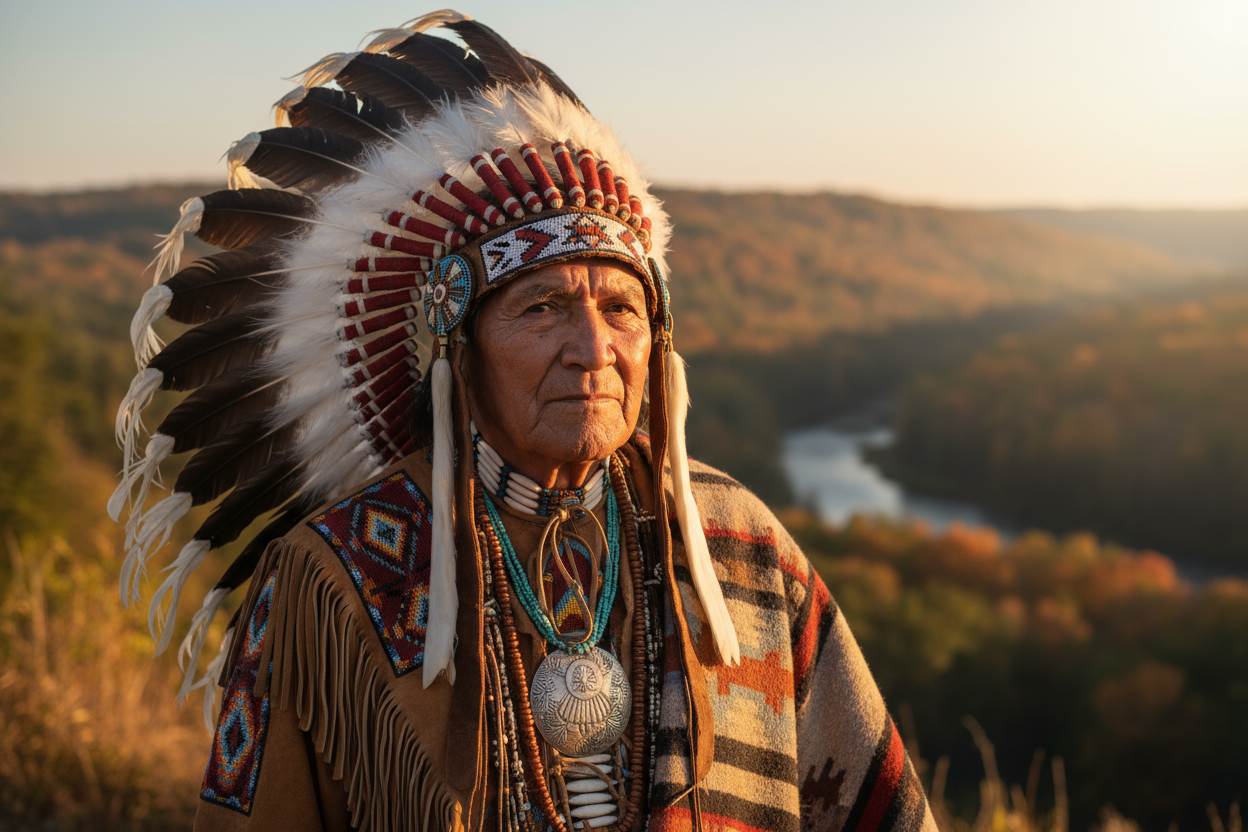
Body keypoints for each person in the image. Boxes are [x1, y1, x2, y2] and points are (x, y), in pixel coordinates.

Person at [110, 11, 936, 831]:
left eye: (622, 308)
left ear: (659, 340)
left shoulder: (737, 546)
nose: (593, 349)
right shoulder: (333, 582)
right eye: (542, 308)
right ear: (455, 349)